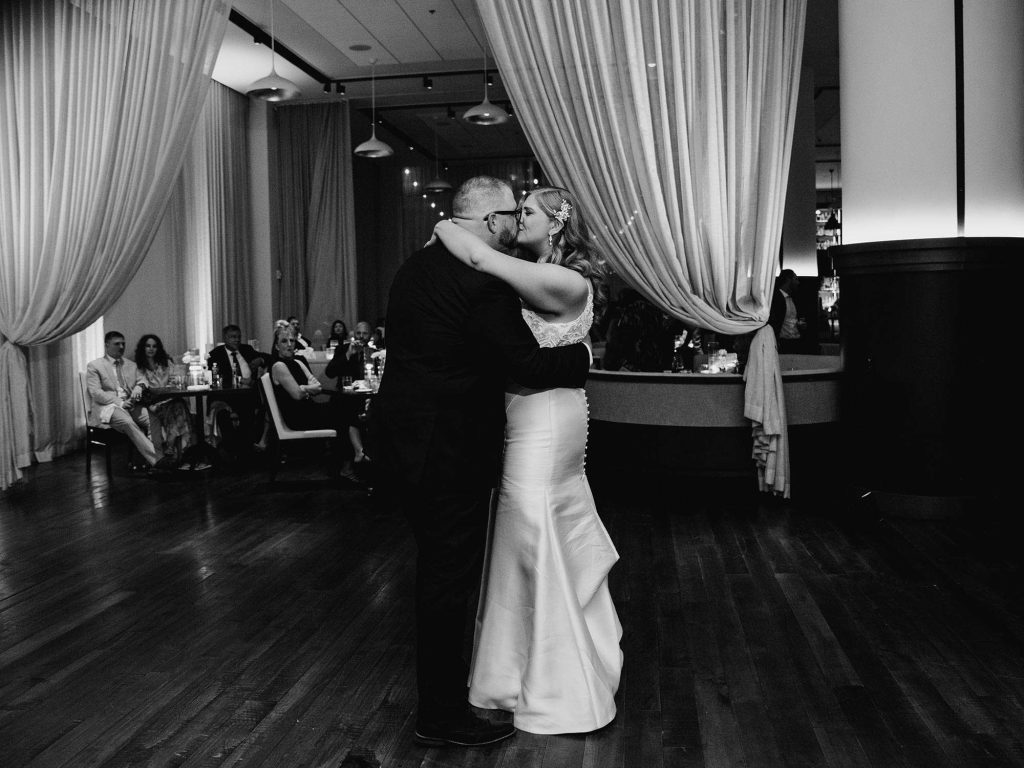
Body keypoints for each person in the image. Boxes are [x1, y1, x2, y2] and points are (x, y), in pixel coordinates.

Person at [375, 176, 591, 748]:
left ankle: (454, 694)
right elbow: (527, 365)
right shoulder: (482, 284)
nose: (516, 225)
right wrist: (583, 358)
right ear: (493, 220)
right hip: (450, 452)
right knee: (447, 581)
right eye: (512, 215)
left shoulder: (413, 269)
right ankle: (441, 715)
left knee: (436, 570)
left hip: (403, 443)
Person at [429, 186, 622, 735]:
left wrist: (446, 225)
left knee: (533, 527)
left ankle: (558, 683)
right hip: (526, 412)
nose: (519, 218)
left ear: (556, 224)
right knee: (522, 534)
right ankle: (515, 670)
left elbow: (478, 258)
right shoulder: (534, 272)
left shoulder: (568, 281)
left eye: (528, 211)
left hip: (548, 418)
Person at [86, 331, 158, 471]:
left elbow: (143, 380)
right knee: (127, 422)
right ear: (107, 345)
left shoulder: (131, 365)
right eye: (117, 344)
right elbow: (96, 393)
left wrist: (139, 387)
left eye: (123, 344)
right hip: (109, 407)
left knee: (153, 419)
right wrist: (120, 403)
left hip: (130, 404)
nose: (121, 347)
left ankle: (155, 459)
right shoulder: (95, 366)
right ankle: (157, 460)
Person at [133, 334, 203, 469]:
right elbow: (144, 387)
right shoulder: (139, 367)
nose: (151, 349)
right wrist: (162, 389)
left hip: (170, 399)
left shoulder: (166, 363)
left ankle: (173, 450)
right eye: (148, 346)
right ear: (143, 348)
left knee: (179, 406)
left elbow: (175, 380)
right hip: (154, 403)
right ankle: (182, 453)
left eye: (154, 346)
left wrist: (169, 386)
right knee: (179, 408)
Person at [269, 325, 343, 434]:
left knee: (342, 406)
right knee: (341, 413)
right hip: (297, 416)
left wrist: (303, 388)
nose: (289, 344)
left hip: (310, 409)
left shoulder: (298, 362)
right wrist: (306, 389)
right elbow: (298, 395)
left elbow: (318, 386)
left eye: (292, 341)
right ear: (277, 346)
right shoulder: (279, 366)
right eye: (284, 341)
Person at [207, 324, 267, 458]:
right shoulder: (215, 354)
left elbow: (269, 357)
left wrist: (260, 359)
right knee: (223, 414)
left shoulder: (246, 349)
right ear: (225, 338)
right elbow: (214, 378)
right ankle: (232, 450)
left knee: (251, 411)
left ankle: (245, 449)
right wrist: (239, 381)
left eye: (239, 337)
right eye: (233, 337)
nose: (237, 340)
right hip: (226, 396)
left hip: (248, 395)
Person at [768, 268, 805, 353]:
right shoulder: (776, 299)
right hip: (782, 343)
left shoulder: (793, 299)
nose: (798, 282)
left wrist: (799, 324)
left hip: (796, 341)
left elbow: (791, 320)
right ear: (788, 279)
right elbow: (774, 322)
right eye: (795, 279)